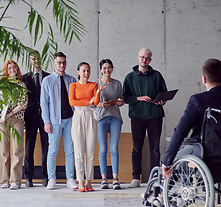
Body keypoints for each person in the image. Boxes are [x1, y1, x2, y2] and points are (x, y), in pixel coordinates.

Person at [123, 48, 168, 188]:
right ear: (137, 57)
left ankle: (154, 178)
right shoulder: (129, 77)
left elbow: (164, 93)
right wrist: (138, 98)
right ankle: (135, 177)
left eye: (147, 58)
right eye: (142, 57)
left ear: (150, 60)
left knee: (155, 149)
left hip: (155, 116)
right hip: (137, 116)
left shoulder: (157, 75)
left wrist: (163, 101)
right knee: (137, 148)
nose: (144, 60)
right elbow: (125, 97)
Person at [40, 52, 78, 190]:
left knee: (70, 150)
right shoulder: (47, 81)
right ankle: (52, 178)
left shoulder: (72, 79)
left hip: (70, 120)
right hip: (54, 121)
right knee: (52, 150)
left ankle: (70, 178)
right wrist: (46, 121)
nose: (62, 65)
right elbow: (44, 103)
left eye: (64, 62)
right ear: (54, 63)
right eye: (59, 62)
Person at [69, 62, 106, 192]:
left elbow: (96, 103)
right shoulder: (73, 85)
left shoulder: (94, 85)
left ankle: (88, 181)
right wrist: (88, 101)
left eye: (88, 71)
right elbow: (72, 101)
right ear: (78, 72)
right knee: (78, 151)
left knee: (90, 151)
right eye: (84, 71)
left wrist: (97, 94)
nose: (86, 73)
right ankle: (80, 181)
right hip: (78, 115)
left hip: (91, 115)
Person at [0, 60, 28, 190]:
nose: (12, 70)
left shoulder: (21, 85)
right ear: (6, 70)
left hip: (16, 120)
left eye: (14, 67)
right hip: (2, 121)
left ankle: (15, 180)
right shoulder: (0, 85)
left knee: (17, 150)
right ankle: (4, 180)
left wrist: (9, 114)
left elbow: (23, 104)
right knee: (4, 151)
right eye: (9, 68)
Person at [95, 59, 124, 190]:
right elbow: (92, 102)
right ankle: (104, 179)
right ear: (101, 69)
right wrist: (100, 104)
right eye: (105, 68)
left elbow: (121, 100)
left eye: (109, 68)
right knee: (102, 149)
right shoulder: (95, 84)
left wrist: (119, 102)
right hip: (101, 117)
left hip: (115, 117)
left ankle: (115, 178)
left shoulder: (117, 84)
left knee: (114, 149)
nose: (107, 70)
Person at [22, 51, 50, 187]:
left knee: (46, 148)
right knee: (29, 148)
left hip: (45, 117)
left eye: (38, 59)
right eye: (33, 59)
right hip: (30, 117)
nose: (36, 61)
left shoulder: (48, 77)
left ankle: (46, 177)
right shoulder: (24, 78)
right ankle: (28, 178)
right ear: (30, 61)